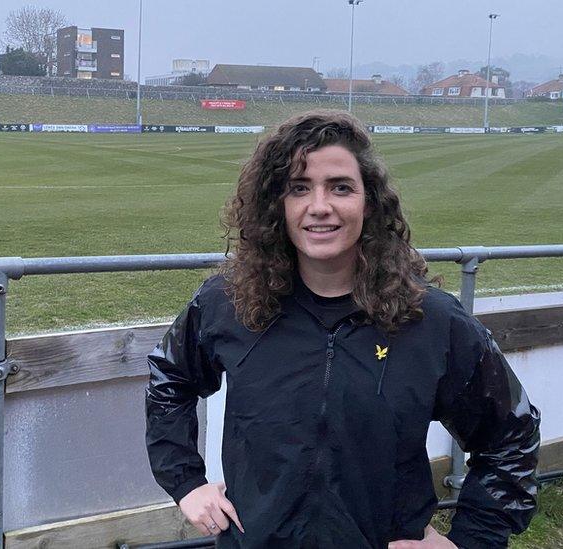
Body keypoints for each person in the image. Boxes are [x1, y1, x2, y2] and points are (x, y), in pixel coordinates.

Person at [144, 110, 540, 548]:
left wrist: (471, 541)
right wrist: (185, 482)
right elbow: (170, 378)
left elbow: (511, 435)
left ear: (368, 202)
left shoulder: (432, 321)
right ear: (278, 204)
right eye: (299, 188)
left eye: (340, 187)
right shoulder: (229, 302)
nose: (319, 206)